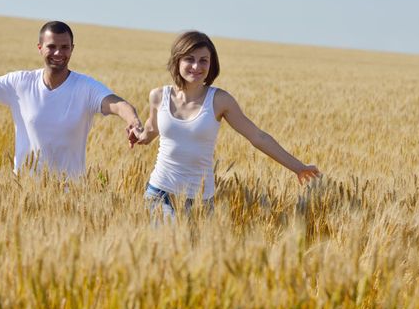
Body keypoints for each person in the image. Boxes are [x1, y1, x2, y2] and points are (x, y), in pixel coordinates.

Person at [132, 31, 320, 220]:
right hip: (160, 192)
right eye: (189, 59)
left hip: (201, 200)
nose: (196, 66)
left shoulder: (220, 100)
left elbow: (257, 137)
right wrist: (138, 134)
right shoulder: (158, 96)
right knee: (169, 238)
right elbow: (151, 130)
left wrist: (298, 167)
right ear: (177, 61)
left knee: (196, 250)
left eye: (203, 60)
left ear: (211, 64)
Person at [0, 21, 142, 178]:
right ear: (40, 48)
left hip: (71, 197)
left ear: (72, 49)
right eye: (51, 46)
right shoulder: (20, 82)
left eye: (65, 47)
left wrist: (132, 120)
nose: (58, 52)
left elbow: (117, 103)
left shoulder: (86, 87)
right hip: (23, 191)